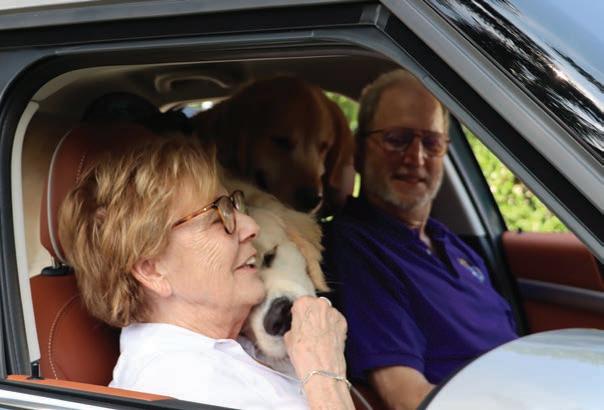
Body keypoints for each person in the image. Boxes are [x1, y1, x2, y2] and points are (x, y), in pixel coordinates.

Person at [58, 136, 354, 410]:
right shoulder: (181, 386)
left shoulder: (222, 354)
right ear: (152, 269)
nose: (250, 226)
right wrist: (326, 379)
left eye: (235, 205)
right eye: (217, 218)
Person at [323, 69, 518, 409]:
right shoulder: (355, 247)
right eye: (397, 139)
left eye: (431, 142)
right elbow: (406, 397)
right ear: (359, 150)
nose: (415, 158)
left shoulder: (453, 245)